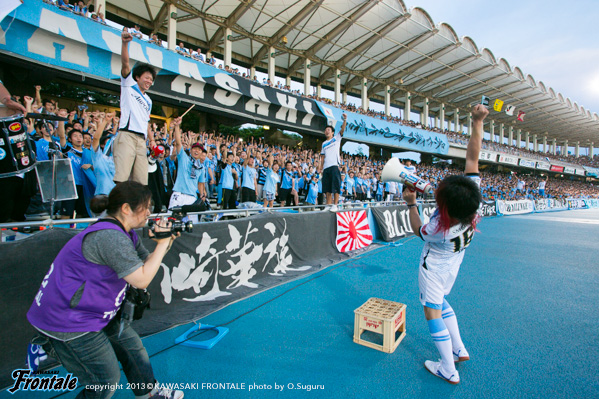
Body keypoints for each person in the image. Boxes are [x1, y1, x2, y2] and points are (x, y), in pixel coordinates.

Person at [26, 181, 183, 399]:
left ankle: (149, 393)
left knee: (132, 347)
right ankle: (48, 344)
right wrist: (161, 244)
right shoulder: (110, 236)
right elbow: (142, 279)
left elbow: (147, 263)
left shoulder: (123, 232)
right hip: (70, 318)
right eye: (146, 207)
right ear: (126, 208)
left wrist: (166, 241)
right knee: (105, 381)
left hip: (93, 310)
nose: (149, 212)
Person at [403, 104, 488, 385]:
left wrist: (412, 203)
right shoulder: (473, 204)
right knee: (442, 303)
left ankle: (448, 368)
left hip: (434, 267)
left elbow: (418, 229)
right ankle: (459, 348)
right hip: (454, 263)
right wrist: (477, 122)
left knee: (431, 311)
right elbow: (473, 158)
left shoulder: (439, 229)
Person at [114, 28, 157, 185]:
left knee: (141, 182)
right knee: (122, 179)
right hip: (127, 136)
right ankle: (119, 208)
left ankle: (137, 209)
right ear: (137, 77)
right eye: (146, 77)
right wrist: (125, 44)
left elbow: (146, 122)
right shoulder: (129, 85)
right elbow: (125, 63)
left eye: (151, 79)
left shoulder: (149, 100)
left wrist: (152, 141)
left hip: (141, 141)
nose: (149, 81)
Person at [318, 113, 347, 211]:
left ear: (332, 132)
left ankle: (335, 205)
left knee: (335, 186)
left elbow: (342, 129)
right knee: (327, 188)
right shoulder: (324, 144)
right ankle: (328, 205)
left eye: (328, 130)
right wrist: (320, 167)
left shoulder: (336, 138)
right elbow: (322, 157)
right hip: (326, 167)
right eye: (325, 130)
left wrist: (344, 120)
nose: (326, 131)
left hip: (334, 165)